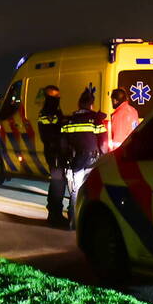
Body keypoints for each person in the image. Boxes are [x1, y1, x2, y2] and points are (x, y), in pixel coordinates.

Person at [59, 88, 108, 229]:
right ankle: (91, 223)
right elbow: (103, 143)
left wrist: (66, 159)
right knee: (94, 191)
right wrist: (104, 157)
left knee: (76, 190)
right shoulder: (96, 120)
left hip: (77, 160)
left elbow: (63, 144)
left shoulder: (69, 121)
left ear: (79, 104)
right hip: (93, 160)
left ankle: (73, 222)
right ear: (91, 105)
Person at [37, 85, 66, 226]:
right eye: (55, 97)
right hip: (53, 152)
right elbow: (49, 135)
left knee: (59, 182)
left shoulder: (55, 111)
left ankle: (56, 213)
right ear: (49, 98)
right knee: (57, 182)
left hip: (58, 152)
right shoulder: (47, 113)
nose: (58, 99)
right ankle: (54, 214)